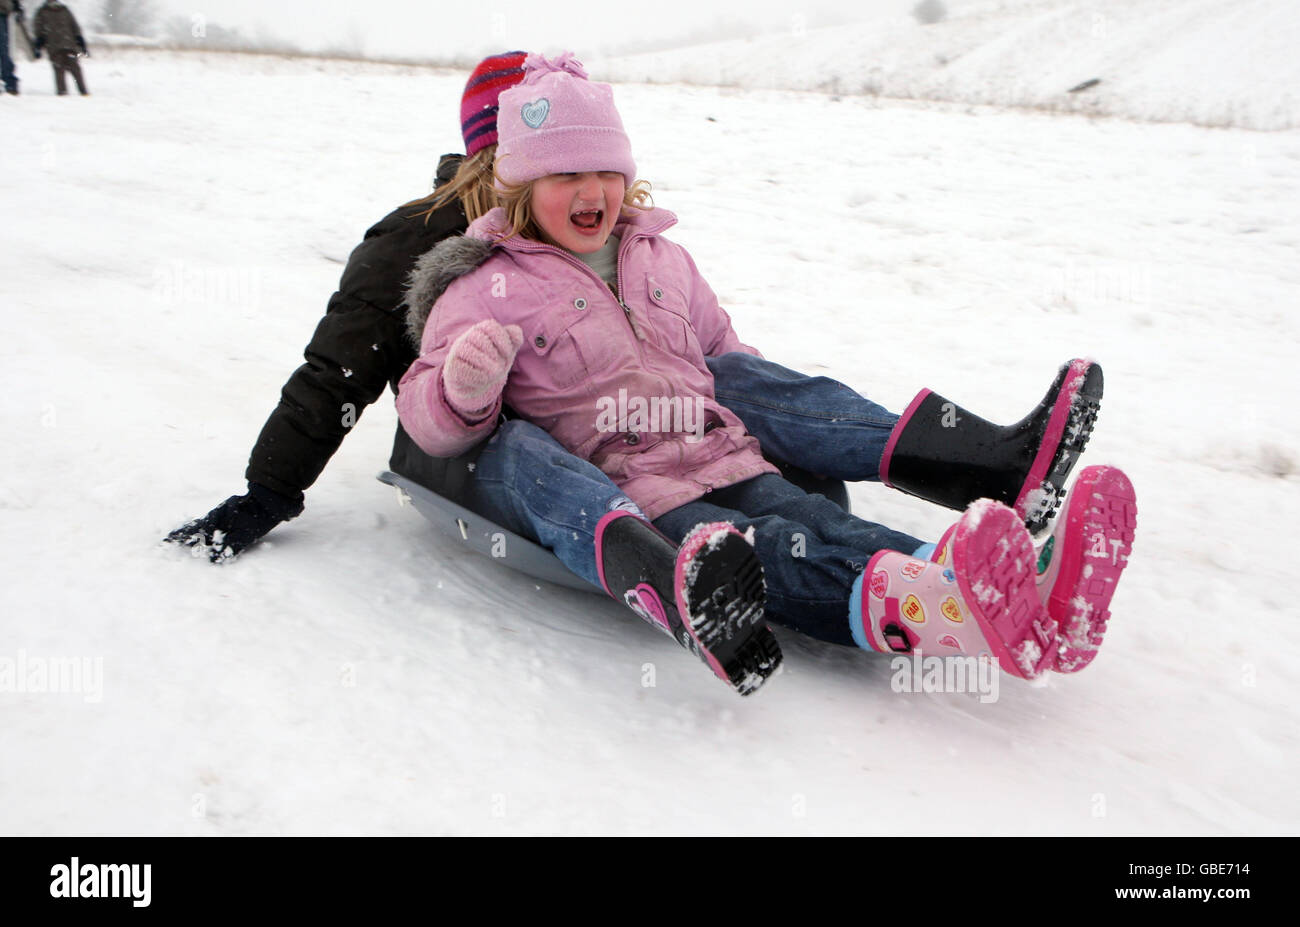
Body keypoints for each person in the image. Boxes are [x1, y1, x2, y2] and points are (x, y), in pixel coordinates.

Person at [167, 51, 1110, 695]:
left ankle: (993, 554)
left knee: (800, 502)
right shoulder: (439, 258)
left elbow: (707, 342)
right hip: (526, 453)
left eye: (600, 168)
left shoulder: (649, 254)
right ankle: (701, 580)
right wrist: (269, 489)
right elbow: (337, 372)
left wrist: (735, 402)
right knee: (742, 534)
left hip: (697, 440)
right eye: (546, 164)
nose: (584, 191)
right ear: (502, 167)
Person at [32, 0, 86, 96]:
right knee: (69, 70)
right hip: (63, 46)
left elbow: (39, 31)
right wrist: (80, 42)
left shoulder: (44, 12)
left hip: (60, 46)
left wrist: (38, 46)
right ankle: (74, 92)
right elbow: (75, 27)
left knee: (66, 71)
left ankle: (71, 92)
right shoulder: (60, 10)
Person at [1, 0, 23, 96]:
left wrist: (16, 5)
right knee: (3, 50)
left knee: (3, 50)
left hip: (2, 13)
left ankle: (9, 83)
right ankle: (9, 83)